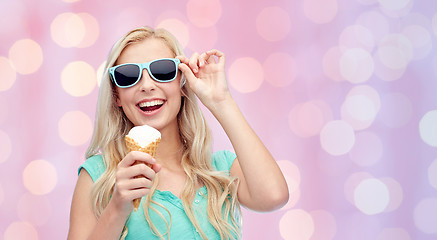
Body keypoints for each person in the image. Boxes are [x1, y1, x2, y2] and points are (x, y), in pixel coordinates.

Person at [68, 26, 289, 240]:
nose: (146, 85)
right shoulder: (99, 176)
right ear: (116, 96)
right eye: (128, 75)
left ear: (182, 83)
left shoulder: (219, 170)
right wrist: (117, 207)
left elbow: (274, 196)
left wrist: (221, 101)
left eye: (162, 71)